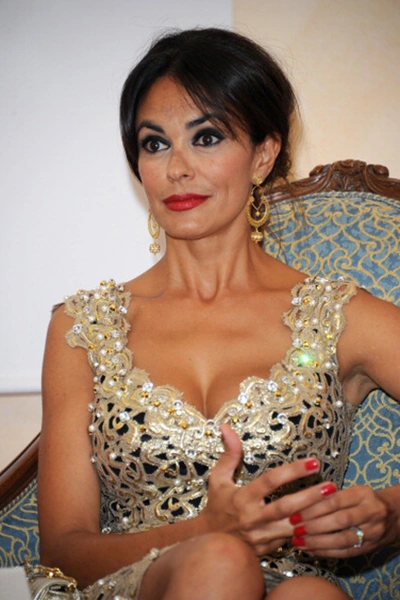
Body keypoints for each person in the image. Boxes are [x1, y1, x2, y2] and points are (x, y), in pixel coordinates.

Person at [38, 27, 400, 600]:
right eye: (155, 144)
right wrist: (209, 531)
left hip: (291, 585)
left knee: (310, 595)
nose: (177, 168)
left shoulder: (339, 315)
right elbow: (62, 553)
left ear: (263, 154)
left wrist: (391, 510)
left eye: (205, 137)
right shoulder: (83, 328)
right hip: (134, 586)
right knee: (221, 560)